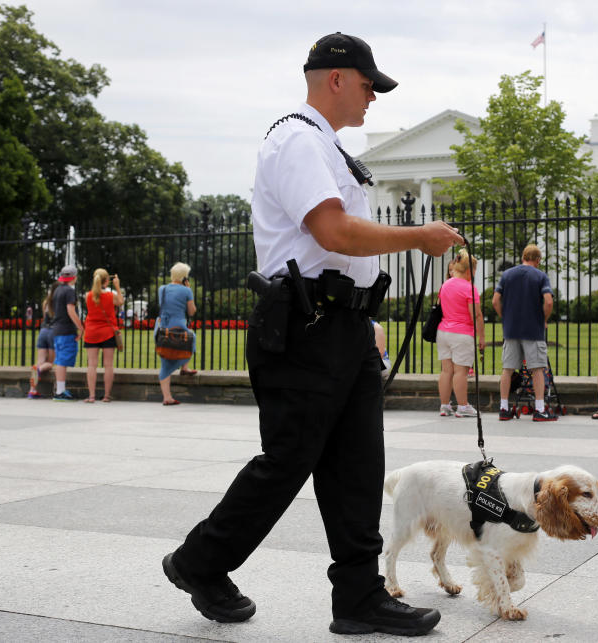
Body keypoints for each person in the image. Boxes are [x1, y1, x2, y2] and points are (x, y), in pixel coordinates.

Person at [162, 33, 461, 637]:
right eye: (370, 84)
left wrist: (365, 321)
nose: (375, 96)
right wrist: (419, 237)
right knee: (289, 459)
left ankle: (359, 597)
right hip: (305, 326)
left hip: (340, 326)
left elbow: (340, 245)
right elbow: (333, 232)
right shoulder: (297, 139)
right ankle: (200, 562)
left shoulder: (326, 146)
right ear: (336, 78)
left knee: (356, 464)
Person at [493, 244, 556, 421]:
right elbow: (549, 302)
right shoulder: (540, 276)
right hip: (533, 329)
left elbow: (495, 300)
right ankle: (540, 409)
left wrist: (504, 317)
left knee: (507, 369)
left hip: (511, 328)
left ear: (523, 256)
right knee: (537, 369)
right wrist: (543, 319)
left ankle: (504, 408)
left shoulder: (507, 275)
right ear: (538, 260)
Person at [436, 249, 485, 417]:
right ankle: (463, 406)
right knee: (460, 372)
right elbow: (476, 315)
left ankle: (444, 405)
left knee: (446, 371)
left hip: (443, 331)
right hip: (462, 333)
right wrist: (482, 336)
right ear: (469, 270)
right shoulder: (469, 288)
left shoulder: (445, 285)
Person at [157, 262, 197, 405]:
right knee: (191, 339)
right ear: (184, 277)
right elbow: (192, 311)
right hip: (179, 327)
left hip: (163, 328)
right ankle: (184, 367)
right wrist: (188, 290)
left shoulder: (162, 289)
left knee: (165, 361)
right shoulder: (186, 291)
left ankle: (166, 397)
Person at [82, 269, 124, 403]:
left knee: (92, 365)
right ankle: (106, 395)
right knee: (108, 365)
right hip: (108, 332)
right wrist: (117, 286)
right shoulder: (111, 296)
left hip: (91, 332)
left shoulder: (87, 295)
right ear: (107, 281)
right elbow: (120, 302)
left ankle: (92, 396)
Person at [50, 265, 84, 400]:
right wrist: (81, 327)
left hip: (57, 329)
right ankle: (60, 392)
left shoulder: (57, 290)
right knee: (62, 361)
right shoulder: (69, 291)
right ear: (74, 277)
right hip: (66, 330)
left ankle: (60, 389)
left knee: (60, 360)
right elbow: (71, 310)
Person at [28, 282, 60, 399]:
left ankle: (32, 390)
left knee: (40, 361)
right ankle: (39, 369)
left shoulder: (46, 302)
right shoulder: (58, 304)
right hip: (53, 332)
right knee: (50, 363)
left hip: (43, 331)